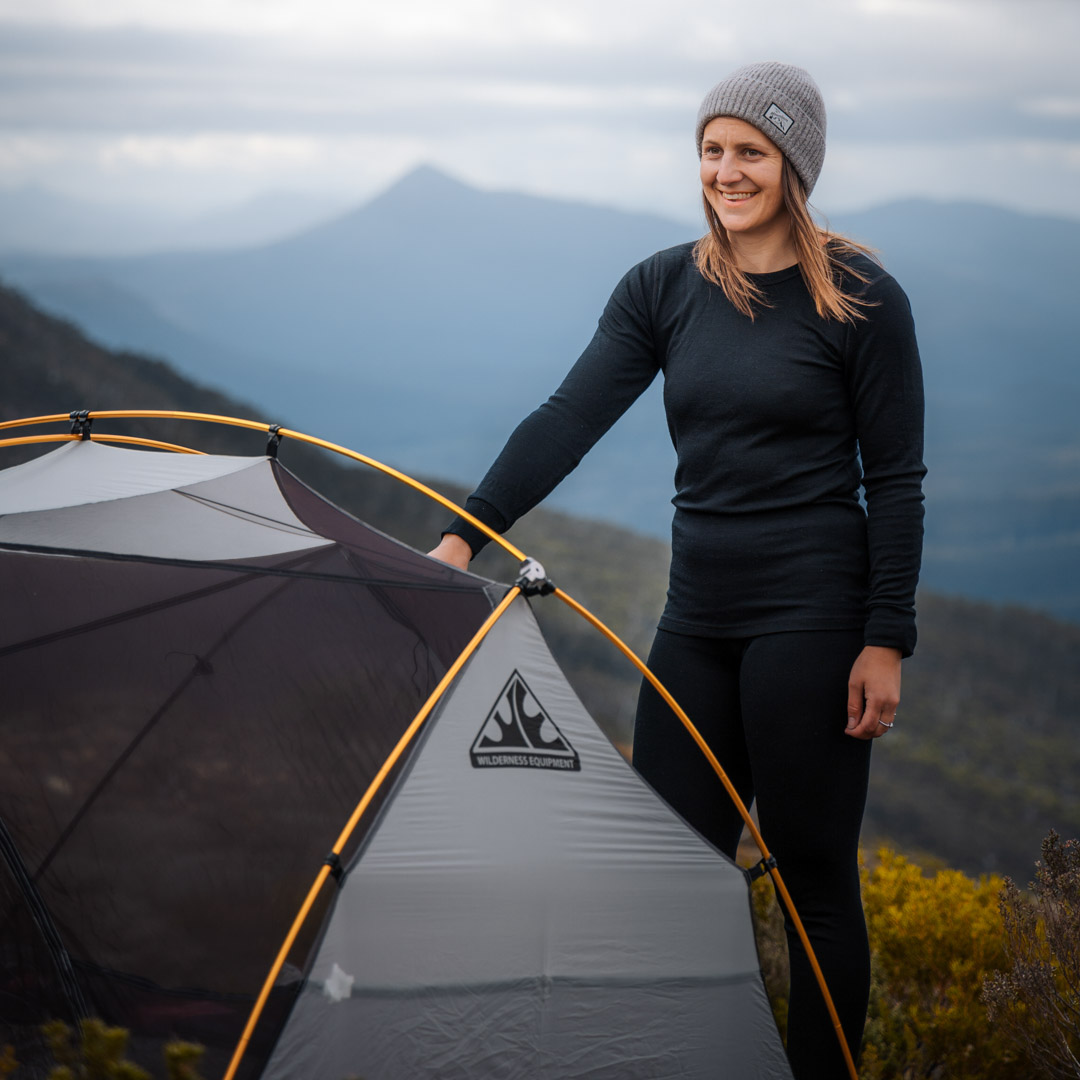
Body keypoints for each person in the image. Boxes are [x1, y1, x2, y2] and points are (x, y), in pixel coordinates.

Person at [428, 61, 925, 1080]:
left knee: (812, 882)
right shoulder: (664, 285)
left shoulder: (864, 297)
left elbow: (899, 481)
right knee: (673, 874)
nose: (726, 172)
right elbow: (569, 418)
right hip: (695, 619)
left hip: (815, 620)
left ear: (796, 165)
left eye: (751, 152)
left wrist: (886, 638)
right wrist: (461, 532)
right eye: (712, 150)